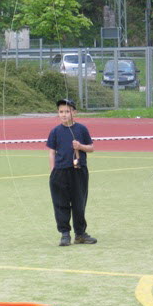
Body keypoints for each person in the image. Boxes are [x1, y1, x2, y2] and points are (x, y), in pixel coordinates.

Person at [47, 98, 97, 247]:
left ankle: (80, 234)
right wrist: (52, 171)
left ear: (74, 112)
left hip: (79, 171)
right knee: (61, 203)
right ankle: (65, 233)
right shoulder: (55, 131)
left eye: (67, 111)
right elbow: (51, 152)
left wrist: (80, 146)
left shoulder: (81, 129)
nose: (64, 114)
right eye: (61, 112)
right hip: (60, 172)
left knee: (79, 203)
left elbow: (91, 148)